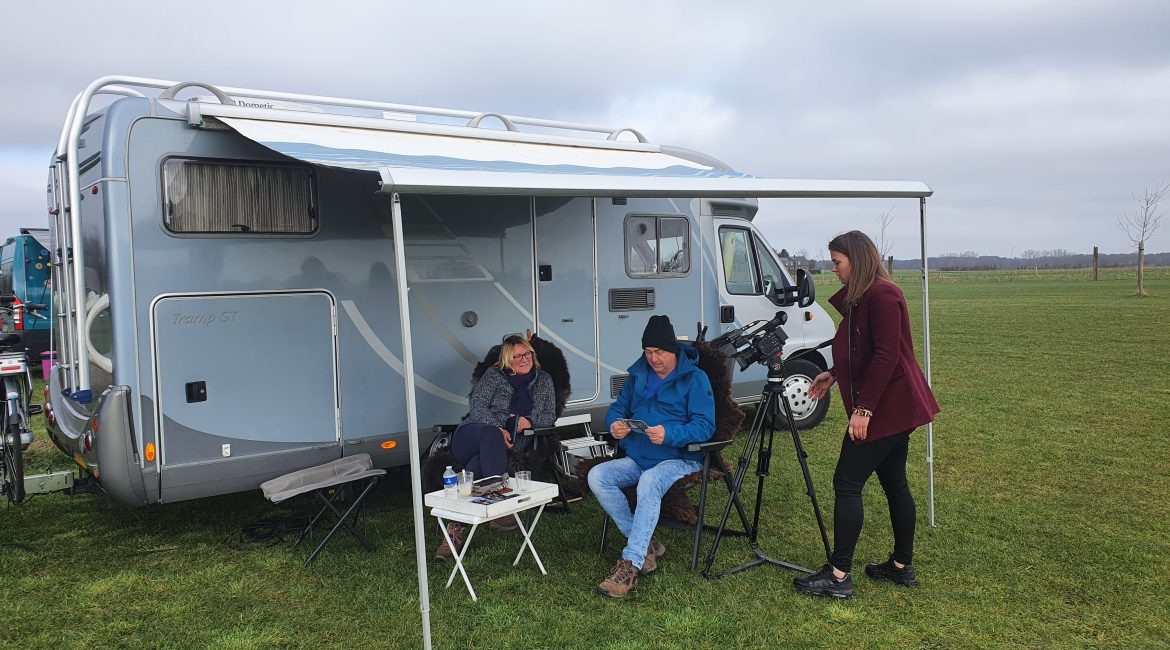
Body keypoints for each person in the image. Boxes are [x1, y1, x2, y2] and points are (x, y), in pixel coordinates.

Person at [794, 230, 940, 598]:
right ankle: (900, 567)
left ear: (856, 260)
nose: (833, 269)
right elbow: (861, 348)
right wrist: (835, 375)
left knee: (847, 482)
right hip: (890, 409)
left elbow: (887, 356)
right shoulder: (863, 298)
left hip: (887, 409)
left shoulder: (883, 295)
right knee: (894, 484)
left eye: (837, 262)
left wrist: (864, 409)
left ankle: (839, 576)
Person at [588, 315, 715, 598]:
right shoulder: (637, 375)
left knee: (649, 481)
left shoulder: (695, 378)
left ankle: (630, 564)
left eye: (659, 352)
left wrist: (669, 434)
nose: (653, 359)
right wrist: (615, 425)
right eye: (648, 352)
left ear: (674, 351)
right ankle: (647, 545)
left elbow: (706, 426)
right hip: (639, 456)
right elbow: (617, 408)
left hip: (679, 458)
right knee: (598, 476)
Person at [435, 333, 557, 560]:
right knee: (491, 435)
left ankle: (453, 531)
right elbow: (477, 407)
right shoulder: (494, 376)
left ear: (533, 354)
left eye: (526, 353)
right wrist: (499, 428)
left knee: (475, 469)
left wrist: (529, 422)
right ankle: (501, 500)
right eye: (516, 356)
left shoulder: (544, 381)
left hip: (503, 448)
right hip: (472, 436)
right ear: (507, 360)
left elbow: (549, 415)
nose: (523, 359)